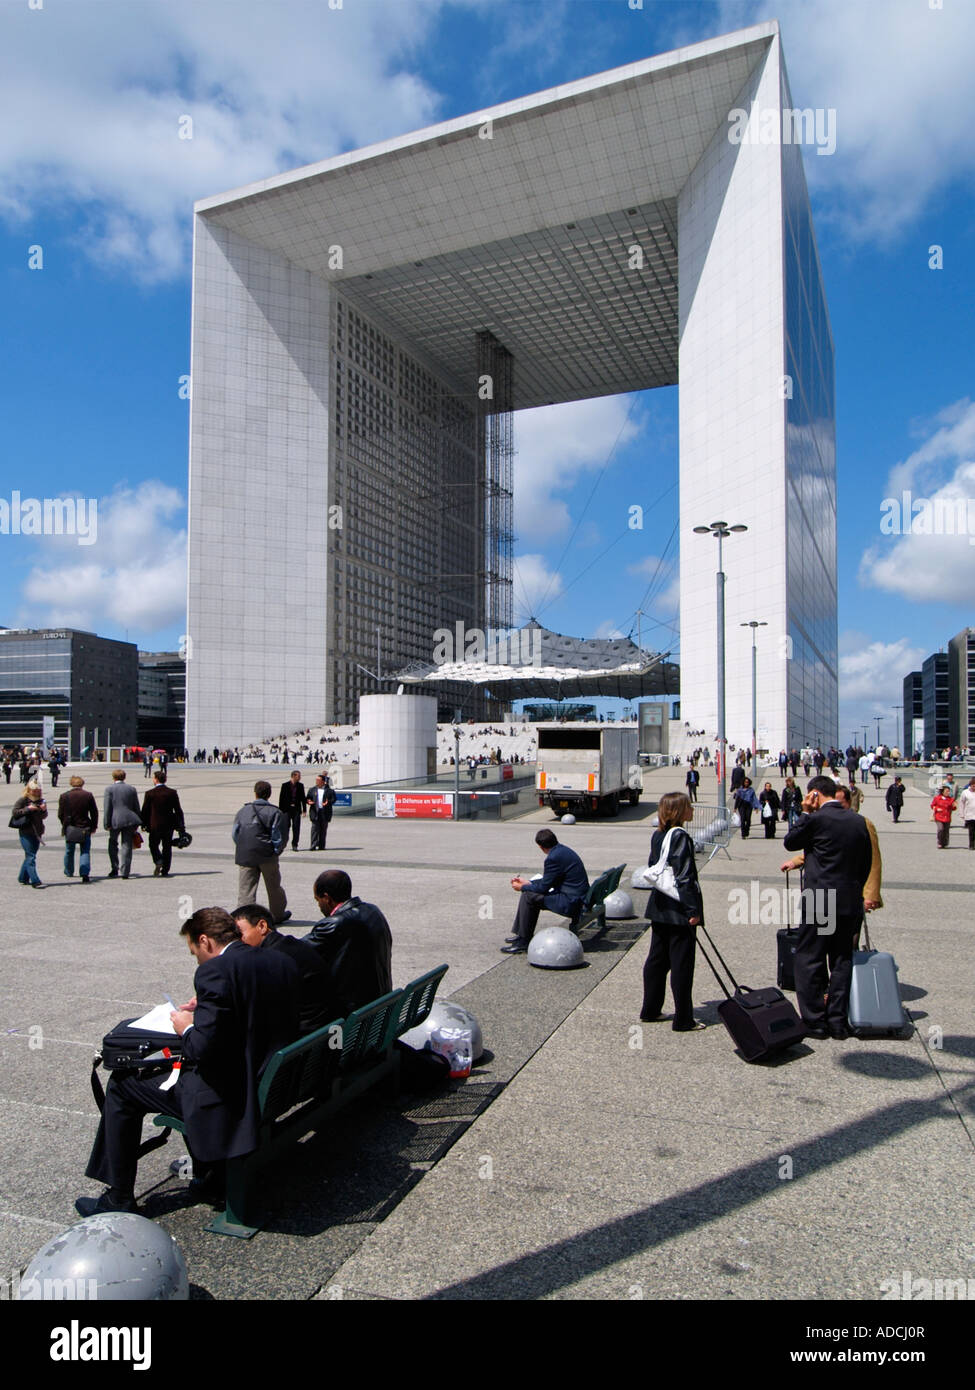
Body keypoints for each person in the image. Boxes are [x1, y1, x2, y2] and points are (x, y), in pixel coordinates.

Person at [75, 906, 300, 1216]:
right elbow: (250, 1013)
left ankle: (119, 1197)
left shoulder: (214, 971)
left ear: (205, 941)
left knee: (122, 1085)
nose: (197, 959)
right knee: (165, 1074)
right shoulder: (280, 960)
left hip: (233, 1097)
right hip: (276, 1082)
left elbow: (201, 1049)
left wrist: (188, 1026)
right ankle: (209, 1173)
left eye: (195, 952)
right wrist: (205, 1010)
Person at [781, 776, 872, 1039]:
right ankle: (837, 1022)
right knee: (842, 960)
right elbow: (865, 862)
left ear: (815, 795)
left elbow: (790, 841)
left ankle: (815, 1022)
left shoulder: (817, 818)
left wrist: (805, 813)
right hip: (848, 900)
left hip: (821, 899)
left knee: (810, 958)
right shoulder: (857, 820)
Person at [640, 791, 705, 1032]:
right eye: (689, 807)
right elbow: (684, 876)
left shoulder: (658, 835)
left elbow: (652, 865)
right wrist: (693, 910)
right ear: (679, 811)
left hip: (659, 905)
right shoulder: (681, 836)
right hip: (678, 910)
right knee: (681, 964)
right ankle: (684, 1019)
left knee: (657, 959)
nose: (693, 811)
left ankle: (651, 1009)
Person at [301, 870, 393, 1013]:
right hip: (380, 1005)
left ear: (327, 898)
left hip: (352, 1015)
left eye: (317, 900)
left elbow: (297, 953)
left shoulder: (334, 924)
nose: (319, 906)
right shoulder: (373, 911)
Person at [233, 904, 333, 1035]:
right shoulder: (290, 945)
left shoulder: (270, 959)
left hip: (302, 1040)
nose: (236, 942)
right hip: (320, 1031)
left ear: (262, 926)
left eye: (239, 934)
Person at [502, 829, 589, 954]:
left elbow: (543, 888)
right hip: (578, 897)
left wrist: (522, 887)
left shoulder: (552, 858)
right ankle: (521, 935)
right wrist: (529, 883)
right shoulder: (563, 850)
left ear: (540, 846)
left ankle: (524, 941)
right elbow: (550, 880)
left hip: (572, 902)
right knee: (530, 893)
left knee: (528, 896)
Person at [233, 781, 290, 924]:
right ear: (269, 794)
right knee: (274, 887)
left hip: (246, 855)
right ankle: (277, 915)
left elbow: (235, 833)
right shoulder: (274, 812)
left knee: (246, 889)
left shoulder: (242, 811)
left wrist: (244, 847)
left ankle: (245, 918)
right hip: (266, 855)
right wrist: (276, 851)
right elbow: (277, 836)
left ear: (255, 793)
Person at [141, 771, 186, 878]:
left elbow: (145, 811)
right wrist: (181, 826)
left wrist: (143, 824)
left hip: (154, 825)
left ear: (156, 779)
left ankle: (158, 859)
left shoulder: (150, 793)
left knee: (153, 845)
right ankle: (165, 869)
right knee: (167, 847)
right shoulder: (172, 792)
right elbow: (178, 810)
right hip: (168, 825)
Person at [58, 775, 99, 883]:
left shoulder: (64, 796)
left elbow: (60, 814)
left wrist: (65, 825)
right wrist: (94, 826)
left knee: (69, 851)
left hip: (70, 827)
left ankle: (69, 871)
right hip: (85, 826)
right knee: (85, 851)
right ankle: (84, 873)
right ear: (82, 784)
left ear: (71, 783)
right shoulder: (88, 795)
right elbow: (94, 813)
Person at [103, 768, 143, 879]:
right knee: (127, 845)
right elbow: (136, 806)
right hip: (129, 820)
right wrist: (138, 820)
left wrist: (106, 823)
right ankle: (125, 871)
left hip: (115, 820)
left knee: (112, 844)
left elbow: (107, 808)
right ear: (124, 777)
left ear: (113, 777)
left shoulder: (109, 789)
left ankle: (114, 868)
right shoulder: (131, 789)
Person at [13, 781, 47, 888]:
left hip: (37, 831)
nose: (36, 792)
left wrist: (43, 810)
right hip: (26, 831)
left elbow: (43, 816)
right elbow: (15, 812)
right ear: (29, 790)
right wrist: (28, 809)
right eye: (34, 790)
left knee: (30, 856)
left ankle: (23, 877)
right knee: (31, 856)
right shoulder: (23, 800)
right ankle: (35, 880)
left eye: (38, 791)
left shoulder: (41, 800)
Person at [278, 769, 307, 851]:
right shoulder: (285, 785)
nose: (300, 777)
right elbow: (281, 799)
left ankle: (295, 844)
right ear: (294, 776)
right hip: (286, 810)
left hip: (296, 810)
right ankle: (283, 844)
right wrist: (281, 811)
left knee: (296, 827)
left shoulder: (300, 786)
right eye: (299, 776)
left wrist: (304, 810)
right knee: (285, 827)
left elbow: (303, 798)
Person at [307, 773, 336, 850]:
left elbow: (334, 799)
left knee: (323, 829)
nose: (316, 782)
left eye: (318, 780)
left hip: (324, 812)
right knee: (314, 829)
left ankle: (321, 846)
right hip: (315, 811)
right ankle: (313, 845)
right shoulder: (312, 789)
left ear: (323, 782)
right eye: (316, 780)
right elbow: (308, 798)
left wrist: (328, 802)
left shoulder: (329, 791)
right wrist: (308, 801)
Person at [958, 778, 975, 851]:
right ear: (970, 785)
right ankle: (971, 845)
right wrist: (962, 814)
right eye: (973, 786)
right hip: (969, 815)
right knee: (971, 831)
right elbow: (962, 803)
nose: (974, 787)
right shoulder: (965, 792)